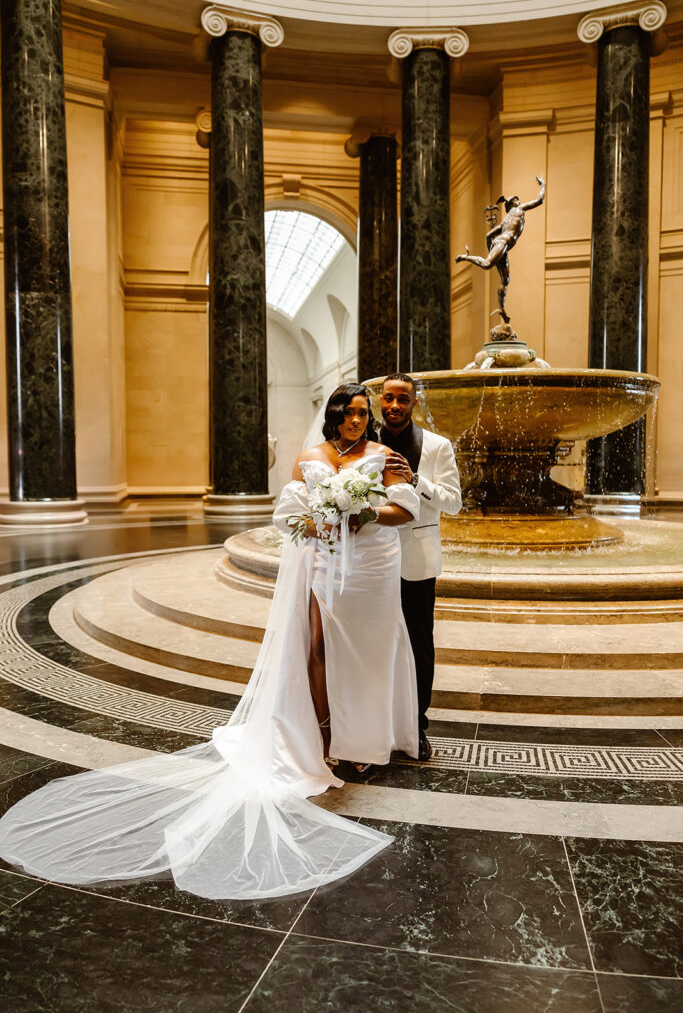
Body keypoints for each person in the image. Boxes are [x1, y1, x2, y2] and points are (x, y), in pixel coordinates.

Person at [0, 384, 419, 901]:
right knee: (314, 649)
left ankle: (366, 740)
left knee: (367, 656)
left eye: (363, 412)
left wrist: (361, 512)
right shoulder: (310, 457)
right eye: (349, 412)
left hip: (370, 569)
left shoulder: (386, 456)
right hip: (322, 563)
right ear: (333, 415)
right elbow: (289, 516)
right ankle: (325, 732)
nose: (358, 420)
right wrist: (320, 517)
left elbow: (406, 509)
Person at [379, 374, 462, 760]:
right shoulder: (363, 442)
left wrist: (417, 481)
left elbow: (454, 503)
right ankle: (375, 720)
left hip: (417, 560)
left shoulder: (438, 446)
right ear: (381, 401)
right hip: (371, 558)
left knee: (418, 644)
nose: (394, 405)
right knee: (373, 641)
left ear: (414, 402)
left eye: (403, 399)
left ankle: (417, 723)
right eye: (388, 398)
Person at [455, 175, 545, 322]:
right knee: (486, 264)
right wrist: (543, 185)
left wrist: (492, 246)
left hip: (501, 245)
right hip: (502, 244)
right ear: (512, 204)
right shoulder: (519, 209)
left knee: (505, 279)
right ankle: (466, 257)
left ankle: (502, 309)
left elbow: (488, 235)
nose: (519, 200)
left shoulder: (504, 221)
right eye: (516, 199)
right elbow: (539, 200)